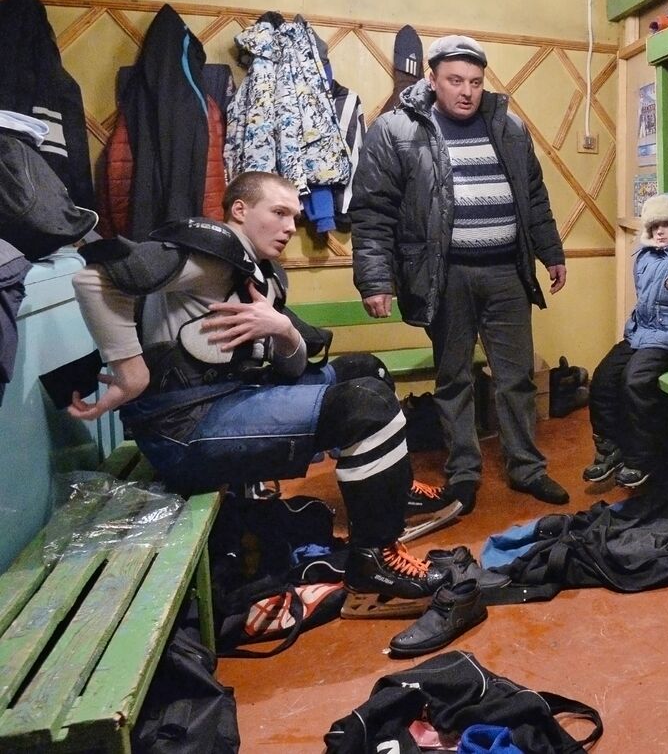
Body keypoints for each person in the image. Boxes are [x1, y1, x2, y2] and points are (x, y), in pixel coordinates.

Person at [68, 171, 459, 618]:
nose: (291, 227)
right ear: (239, 210)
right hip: (183, 428)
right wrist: (130, 370)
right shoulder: (209, 257)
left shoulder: (261, 273)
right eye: (278, 213)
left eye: (294, 216)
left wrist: (282, 327)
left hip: (231, 399)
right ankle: (373, 562)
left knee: (364, 369)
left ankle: (391, 490)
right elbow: (95, 282)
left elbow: (292, 366)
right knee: (364, 406)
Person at [351, 35, 570, 515]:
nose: (466, 91)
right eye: (455, 80)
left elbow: (534, 196)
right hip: (444, 277)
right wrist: (375, 278)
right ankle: (464, 472)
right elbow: (372, 210)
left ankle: (526, 468)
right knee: (454, 379)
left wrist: (551, 251)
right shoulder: (395, 130)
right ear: (432, 79)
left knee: (516, 378)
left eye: (474, 81)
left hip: (507, 273)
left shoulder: (509, 127)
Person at [584, 191, 668, 489]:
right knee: (604, 377)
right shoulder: (645, 256)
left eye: (667, 224)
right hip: (641, 333)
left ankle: (642, 456)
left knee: (636, 380)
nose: (659, 231)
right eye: (654, 225)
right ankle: (611, 447)